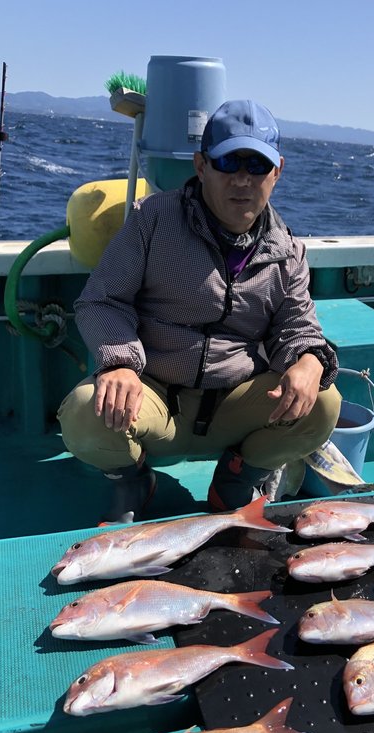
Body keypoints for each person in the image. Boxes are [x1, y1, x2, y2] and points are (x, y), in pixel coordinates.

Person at [58, 99, 341, 521]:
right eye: (228, 162)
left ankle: (236, 478)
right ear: (201, 165)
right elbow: (102, 299)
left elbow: (297, 327)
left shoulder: (288, 251)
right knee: (86, 412)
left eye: (257, 165)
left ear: (277, 171)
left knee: (323, 402)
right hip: (154, 397)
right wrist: (119, 363)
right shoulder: (152, 220)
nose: (242, 179)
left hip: (234, 406)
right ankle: (134, 479)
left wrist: (309, 360)